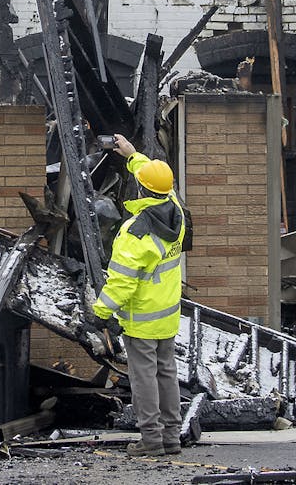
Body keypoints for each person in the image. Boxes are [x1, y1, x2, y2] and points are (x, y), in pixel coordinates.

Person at [87, 133, 187, 457]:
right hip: (168, 313)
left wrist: (100, 312)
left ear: (142, 190)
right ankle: (172, 437)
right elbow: (159, 182)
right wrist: (132, 155)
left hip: (142, 319)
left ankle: (151, 440)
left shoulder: (136, 232)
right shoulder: (176, 211)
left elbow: (121, 283)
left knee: (144, 379)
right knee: (167, 374)